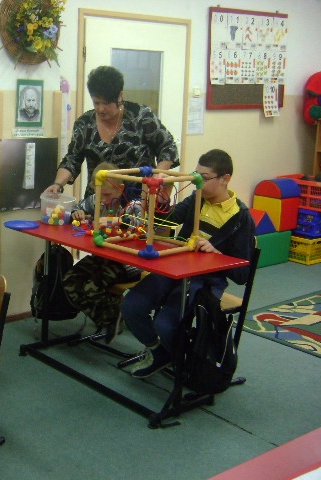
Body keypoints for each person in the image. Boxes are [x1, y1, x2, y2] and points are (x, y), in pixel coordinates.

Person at [120, 149, 256, 378]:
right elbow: (165, 220)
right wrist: (155, 197)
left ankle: (189, 364)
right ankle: (161, 353)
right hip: (175, 269)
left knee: (165, 325)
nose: (196, 182)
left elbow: (243, 274)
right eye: (196, 175)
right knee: (131, 306)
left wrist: (215, 253)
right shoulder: (196, 198)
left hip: (206, 281)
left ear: (225, 179)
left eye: (205, 177)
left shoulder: (241, 218)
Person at [44, 65, 179, 200]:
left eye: (106, 103)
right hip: (99, 202)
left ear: (120, 96)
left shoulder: (141, 117)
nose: (101, 109)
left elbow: (168, 147)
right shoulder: (85, 124)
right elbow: (72, 159)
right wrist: (58, 185)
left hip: (139, 202)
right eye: (96, 103)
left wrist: (157, 176)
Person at [62, 162, 144, 342]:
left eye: (107, 195)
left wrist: (115, 221)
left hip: (127, 263)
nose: (103, 199)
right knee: (70, 281)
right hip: (103, 258)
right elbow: (77, 207)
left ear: (120, 189)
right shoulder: (97, 198)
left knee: (91, 287)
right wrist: (77, 213)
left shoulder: (133, 204)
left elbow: (138, 223)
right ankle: (109, 318)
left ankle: (114, 313)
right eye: (99, 194)